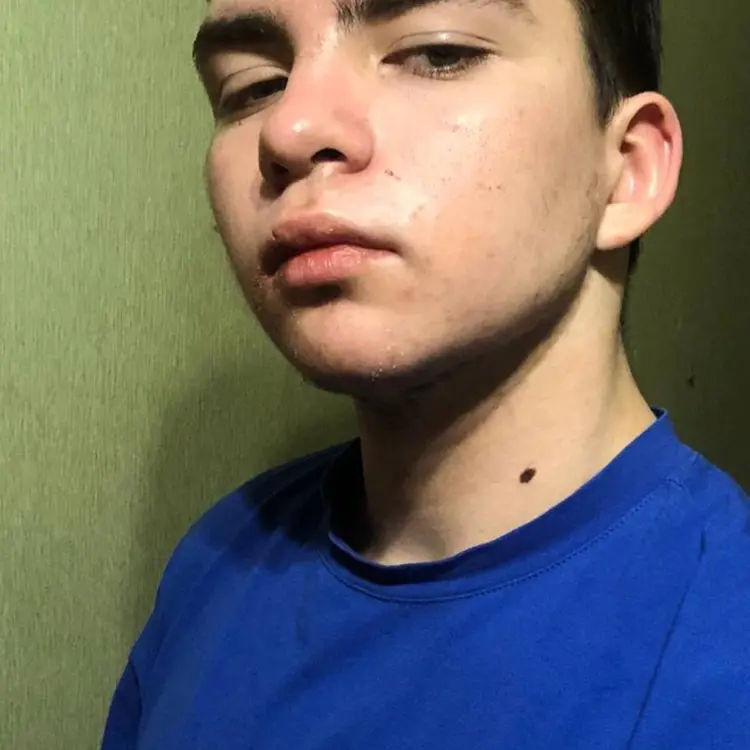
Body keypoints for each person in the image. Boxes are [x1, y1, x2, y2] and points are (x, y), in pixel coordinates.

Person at [102, 0, 750, 746]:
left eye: (437, 52)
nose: (288, 129)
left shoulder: (722, 653)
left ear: (626, 170)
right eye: (253, 86)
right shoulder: (218, 560)